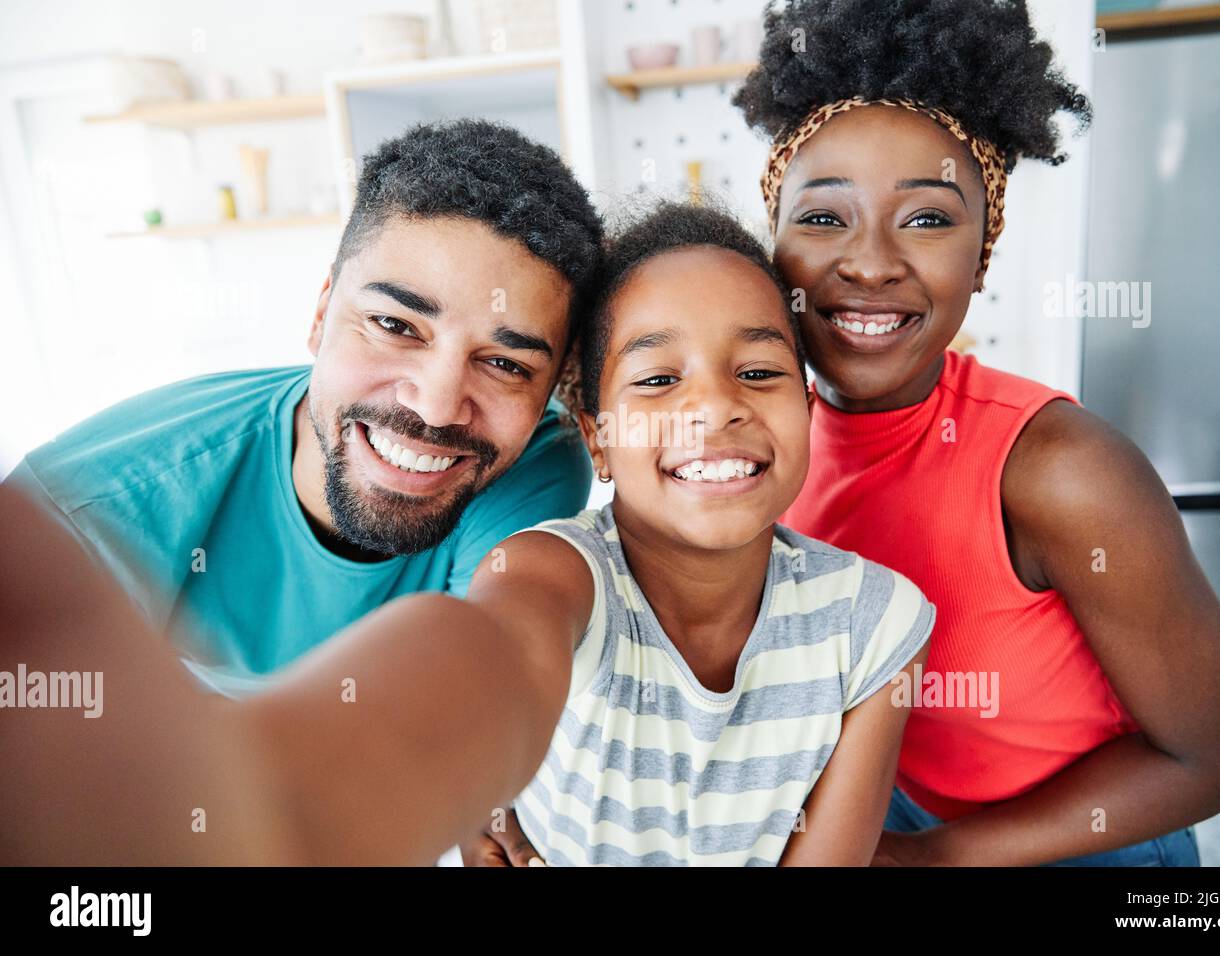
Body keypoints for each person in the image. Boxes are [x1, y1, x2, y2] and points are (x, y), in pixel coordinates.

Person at [0, 202, 933, 867]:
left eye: (760, 371)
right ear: (598, 435)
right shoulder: (558, 566)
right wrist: (277, 815)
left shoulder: (876, 621)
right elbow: (503, 643)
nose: (712, 409)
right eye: (655, 381)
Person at [732, 0, 1220, 865]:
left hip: (1088, 838)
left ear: (982, 254)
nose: (869, 263)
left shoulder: (1061, 469)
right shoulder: (761, 440)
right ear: (776, 241)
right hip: (903, 808)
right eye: (825, 217)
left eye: (929, 218)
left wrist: (935, 859)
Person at [3, 120, 601, 696]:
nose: (439, 407)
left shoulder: (536, 461)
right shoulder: (83, 509)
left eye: (505, 364)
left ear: (551, 385)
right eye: (395, 325)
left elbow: (477, 686)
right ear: (321, 316)